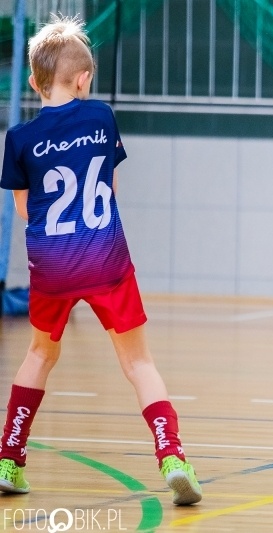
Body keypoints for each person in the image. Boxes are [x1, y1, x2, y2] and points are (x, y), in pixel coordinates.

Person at [0, 16, 202, 505]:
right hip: (105, 259)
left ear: (34, 83)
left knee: (39, 356)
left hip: (51, 265)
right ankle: (172, 457)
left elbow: (25, 210)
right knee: (138, 361)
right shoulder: (101, 117)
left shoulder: (19, 138)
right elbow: (109, 188)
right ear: (84, 79)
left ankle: (9, 458)